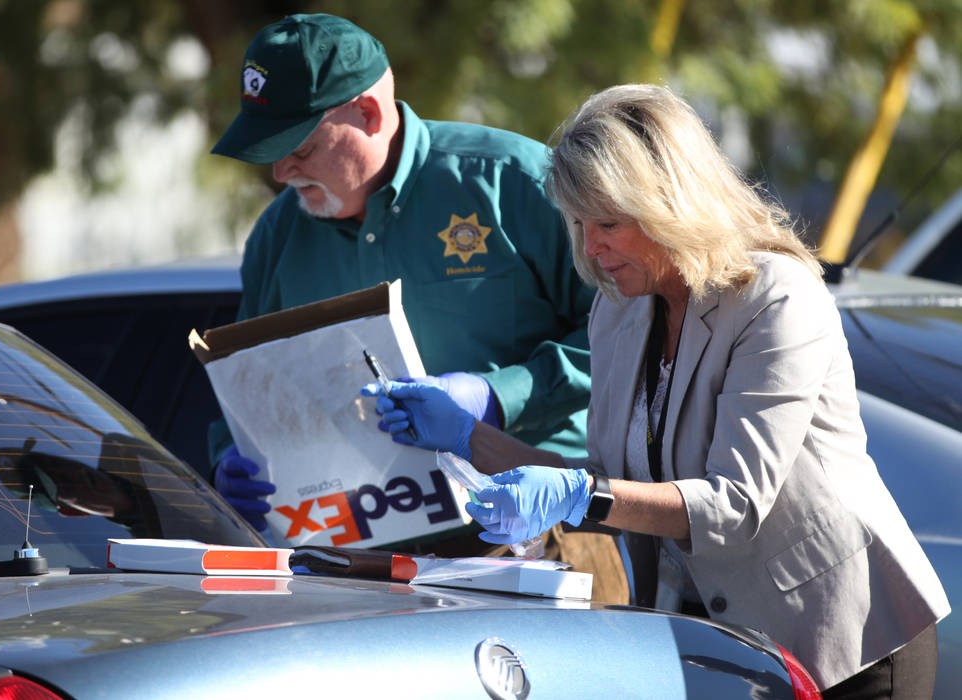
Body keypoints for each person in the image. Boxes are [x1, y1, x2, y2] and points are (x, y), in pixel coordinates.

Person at [364, 83, 950, 696]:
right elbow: (606, 479)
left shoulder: (775, 295)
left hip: (847, 643)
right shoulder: (619, 309)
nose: (591, 248)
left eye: (609, 223)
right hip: (728, 647)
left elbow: (732, 504)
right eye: (579, 223)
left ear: (671, 198)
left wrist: (576, 495)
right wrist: (468, 437)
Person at [206, 14, 626, 600]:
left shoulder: (513, 184)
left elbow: (625, 337)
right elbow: (245, 385)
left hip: (537, 536)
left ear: (369, 114)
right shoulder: (278, 237)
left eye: (299, 148)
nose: (280, 173)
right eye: (271, 154)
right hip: (359, 569)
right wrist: (231, 457)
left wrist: (496, 397)